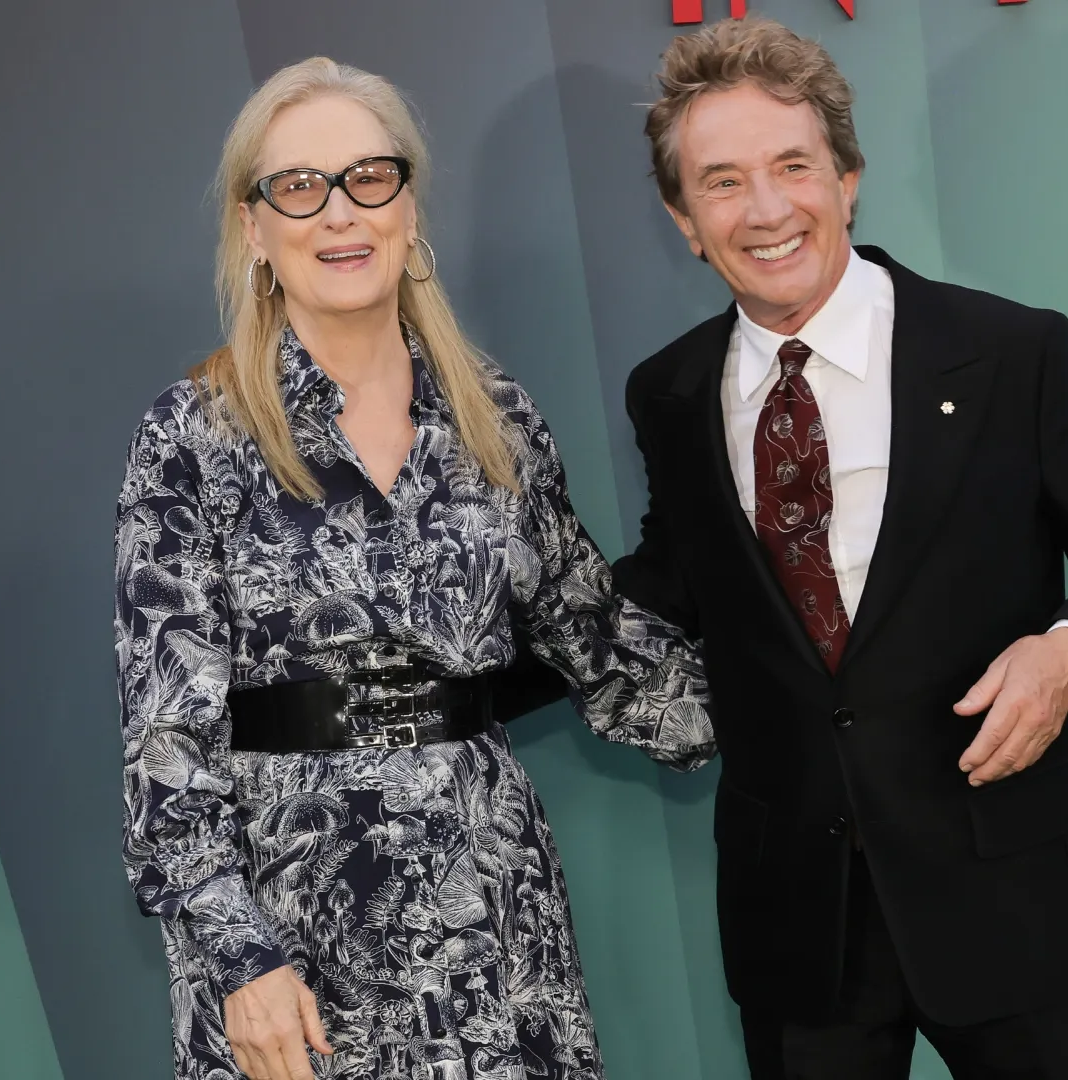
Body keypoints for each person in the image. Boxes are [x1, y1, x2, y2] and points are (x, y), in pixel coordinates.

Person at [611, 18, 1068, 1080]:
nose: (768, 209)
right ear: (684, 220)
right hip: (796, 924)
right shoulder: (670, 392)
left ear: (849, 179)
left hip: (1016, 906)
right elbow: (672, 584)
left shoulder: (1009, 350)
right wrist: (451, 661)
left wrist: (1067, 651)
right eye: (724, 181)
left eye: (793, 167)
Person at [114, 57, 712, 1080]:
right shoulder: (194, 439)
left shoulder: (497, 419)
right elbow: (166, 751)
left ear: (408, 206)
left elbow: (600, 643)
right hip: (296, 940)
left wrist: (831, 695)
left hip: (494, 915)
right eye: (299, 186)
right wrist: (240, 963)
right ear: (254, 228)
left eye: (369, 177)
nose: (340, 212)